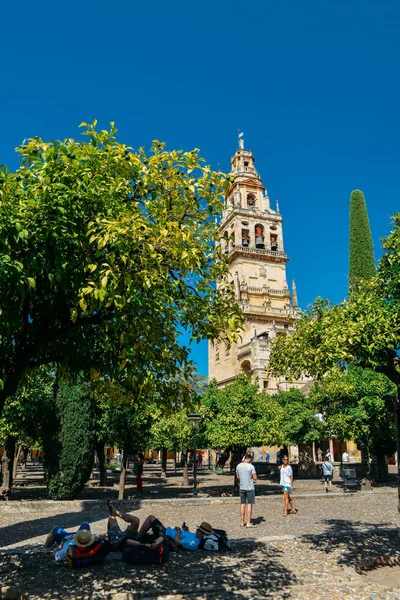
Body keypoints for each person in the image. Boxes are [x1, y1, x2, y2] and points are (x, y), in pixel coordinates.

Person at [137, 515, 213, 551]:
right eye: (198, 529)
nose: (197, 530)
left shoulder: (194, 543)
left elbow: (178, 541)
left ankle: (138, 536)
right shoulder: (195, 537)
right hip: (168, 532)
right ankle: (139, 536)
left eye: (199, 530)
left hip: (167, 537)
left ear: (203, 534)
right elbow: (186, 537)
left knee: (151, 518)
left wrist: (179, 531)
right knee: (149, 531)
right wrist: (186, 530)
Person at [236, 452, 257, 528]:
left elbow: (238, 476)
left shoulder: (238, 466)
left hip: (242, 487)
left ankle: (242, 522)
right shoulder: (251, 466)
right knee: (249, 504)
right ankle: (248, 522)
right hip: (249, 487)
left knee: (242, 504)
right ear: (248, 459)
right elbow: (255, 477)